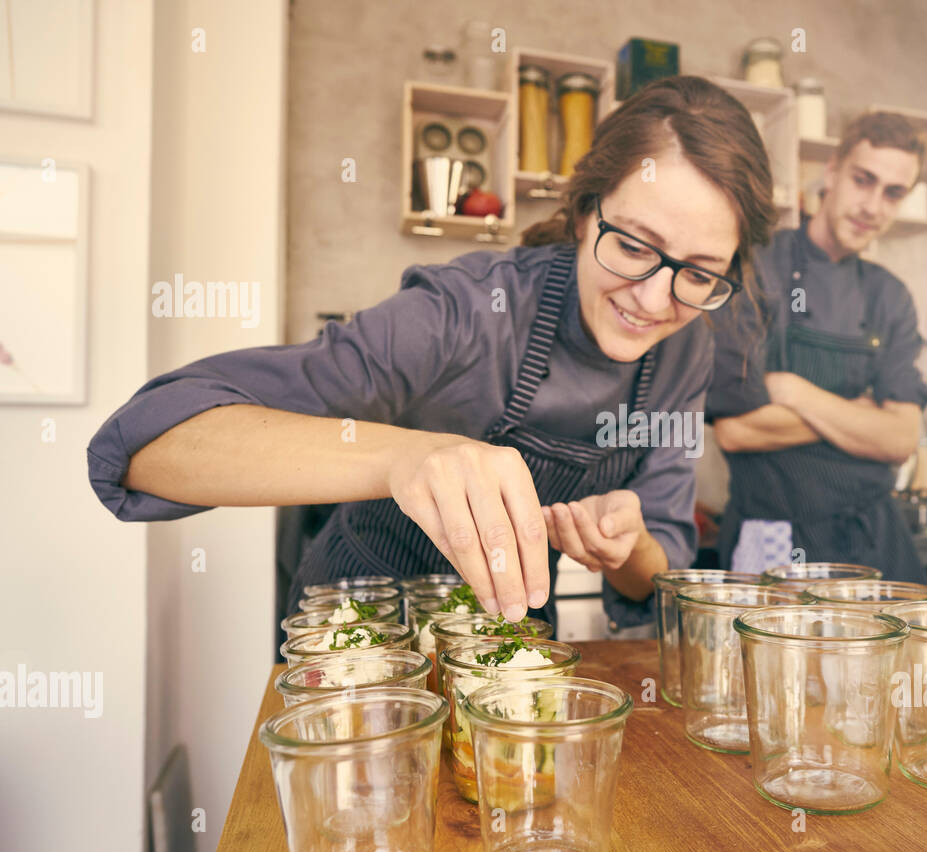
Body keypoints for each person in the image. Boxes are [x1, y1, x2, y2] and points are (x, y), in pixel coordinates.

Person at [86, 76, 777, 630]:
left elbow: (659, 579)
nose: (656, 301)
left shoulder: (688, 350)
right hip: (359, 635)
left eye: (699, 272)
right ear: (582, 211)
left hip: (507, 647)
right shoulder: (463, 312)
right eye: (631, 245)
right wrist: (403, 457)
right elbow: (146, 445)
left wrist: (629, 547)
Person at [706, 111, 927, 581]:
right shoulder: (756, 266)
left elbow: (901, 439)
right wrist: (863, 414)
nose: (872, 205)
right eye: (863, 180)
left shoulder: (890, 296)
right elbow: (738, 430)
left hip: (875, 541)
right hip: (774, 539)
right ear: (831, 173)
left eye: (893, 193)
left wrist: (792, 391)